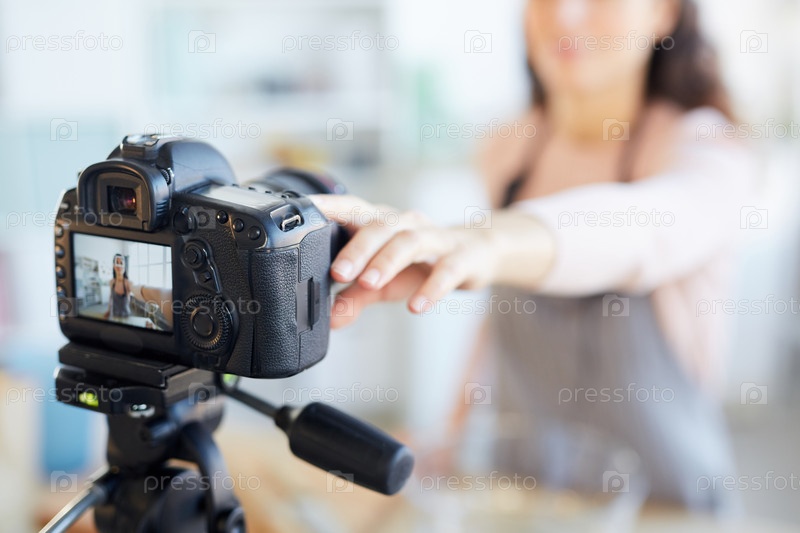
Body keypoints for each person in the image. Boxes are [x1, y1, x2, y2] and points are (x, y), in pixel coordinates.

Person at [310, 0, 755, 513]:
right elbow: (499, 313)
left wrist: (485, 241)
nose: (565, 15)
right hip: (531, 498)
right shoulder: (510, 147)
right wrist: (450, 434)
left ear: (664, 13)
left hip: (665, 509)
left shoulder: (705, 148)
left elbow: (645, 228)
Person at [103, 254, 131, 321]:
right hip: (114, 314)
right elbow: (111, 297)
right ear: (113, 266)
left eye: (121, 263)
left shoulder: (128, 283)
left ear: (124, 266)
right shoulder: (111, 282)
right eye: (117, 263)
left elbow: (136, 289)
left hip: (126, 315)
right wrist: (108, 310)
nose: (119, 265)